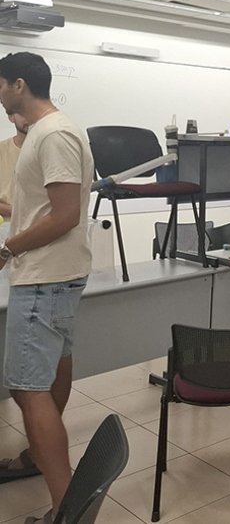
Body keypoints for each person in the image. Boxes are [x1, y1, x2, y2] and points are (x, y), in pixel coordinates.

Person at [0, 52, 93, 522]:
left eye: (0, 85)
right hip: (55, 277)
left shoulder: (53, 134)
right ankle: (39, 460)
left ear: (19, 85)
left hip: (43, 279)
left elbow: (65, 215)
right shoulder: (47, 131)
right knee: (51, 375)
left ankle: (65, 508)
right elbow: (43, 207)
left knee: (28, 389)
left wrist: (7, 248)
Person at [0, 112, 28, 219]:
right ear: (11, 117)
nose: (29, 117)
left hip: (45, 225)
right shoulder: (2, 151)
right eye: (22, 111)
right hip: (5, 224)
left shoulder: (54, 151)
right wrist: (16, 212)